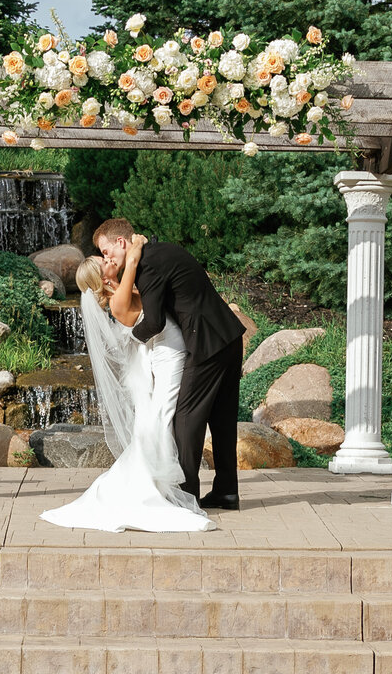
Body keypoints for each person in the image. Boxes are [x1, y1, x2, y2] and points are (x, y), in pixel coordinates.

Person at [40, 237, 215, 532]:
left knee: (158, 415)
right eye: (103, 261)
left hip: (160, 355)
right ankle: (156, 483)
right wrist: (135, 246)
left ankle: (159, 480)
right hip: (164, 355)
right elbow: (132, 263)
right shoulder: (119, 299)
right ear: (103, 278)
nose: (108, 260)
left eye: (105, 256)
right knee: (161, 415)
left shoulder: (121, 293)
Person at [96, 218, 246, 510]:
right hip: (229, 337)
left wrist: (129, 340)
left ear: (121, 243)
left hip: (205, 345)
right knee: (223, 421)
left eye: (106, 251)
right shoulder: (159, 252)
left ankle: (185, 496)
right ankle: (226, 491)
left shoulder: (147, 266)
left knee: (186, 419)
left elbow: (154, 321)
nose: (106, 258)